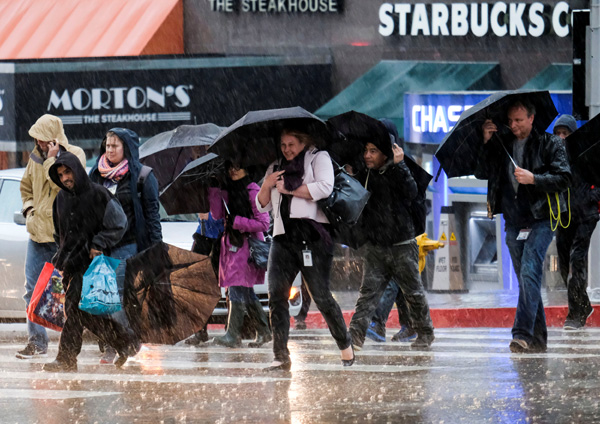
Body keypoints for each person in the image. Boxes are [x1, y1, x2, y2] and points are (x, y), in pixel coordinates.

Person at [475, 99, 571, 353]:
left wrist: (534, 179)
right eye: (510, 121)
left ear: (531, 117)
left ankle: (521, 333)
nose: (514, 125)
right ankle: (538, 339)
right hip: (513, 220)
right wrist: (486, 141)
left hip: (542, 217)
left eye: (519, 120)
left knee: (529, 271)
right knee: (526, 279)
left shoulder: (549, 143)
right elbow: (481, 172)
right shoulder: (501, 144)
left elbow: (564, 178)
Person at [257, 128, 354, 370]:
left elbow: (324, 188)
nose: (286, 149)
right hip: (282, 239)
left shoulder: (318, 158)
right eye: (283, 144)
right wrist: (267, 185)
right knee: (276, 296)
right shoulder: (275, 167)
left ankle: (345, 346)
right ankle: (280, 356)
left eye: (291, 144)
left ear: (303, 142)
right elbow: (261, 207)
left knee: (321, 296)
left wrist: (288, 189)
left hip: (313, 238)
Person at [42, 152, 133, 372]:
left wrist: (98, 243)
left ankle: (66, 358)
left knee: (74, 308)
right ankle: (126, 343)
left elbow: (119, 224)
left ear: (77, 169)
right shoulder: (60, 199)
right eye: (61, 175)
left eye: (68, 172)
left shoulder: (99, 195)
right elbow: (58, 233)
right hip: (69, 265)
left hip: (91, 264)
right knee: (86, 315)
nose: (65, 178)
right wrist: (61, 254)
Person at [348, 131, 435, 350]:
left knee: (413, 292)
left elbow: (412, 193)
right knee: (367, 294)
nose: (367, 155)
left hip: (402, 246)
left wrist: (400, 166)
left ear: (385, 153)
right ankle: (355, 336)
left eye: (373, 151)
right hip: (376, 247)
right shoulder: (366, 175)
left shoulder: (400, 169)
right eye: (366, 150)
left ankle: (425, 333)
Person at [89, 128, 162, 364]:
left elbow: (152, 216)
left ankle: (124, 341)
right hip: (100, 247)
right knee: (100, 299)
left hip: (128, 245)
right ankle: (118, 341)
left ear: (127, 149)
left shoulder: (142, 176)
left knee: (116, 296)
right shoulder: (96, 175)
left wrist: (156, 249)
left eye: (115, 146)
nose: (109, 150)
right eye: (107, 146)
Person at [17, 114, 86, 360]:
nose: (38, 141)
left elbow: (65, 185)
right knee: (32, 290)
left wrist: (51, 161)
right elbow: (25, 186)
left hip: (63, 237)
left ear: (53, 137)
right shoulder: (35, 157)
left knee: (66, 293)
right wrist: (29, 210)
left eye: (42, 138)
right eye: (36, 137)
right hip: (37, 235)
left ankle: (68, 345)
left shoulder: (74, 155)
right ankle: (36, 342)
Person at [208, 161, 272, 348]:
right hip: (231, 245)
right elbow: (218, 215)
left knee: (237, 286)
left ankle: (233, 334)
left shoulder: (253, 191)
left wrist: (238, 221)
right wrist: (214, 189)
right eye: (230, 167)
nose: (234, 170)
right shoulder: (226, 190)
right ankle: (264, 331)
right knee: (244, 289)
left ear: (247, 168)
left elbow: (263, 223)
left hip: (246, 246)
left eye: (238, 166)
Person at [553, 115, 599, 329]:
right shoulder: (553, 159)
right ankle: (584, 305)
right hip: (564, 218)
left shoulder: (585, 154)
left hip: (585, 216)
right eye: (558, 133)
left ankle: (575, 315)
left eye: (566, 133)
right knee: (563, 266)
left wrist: (593, 197)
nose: (562, 137)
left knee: (576, 260)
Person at [186, 212, 224, 345]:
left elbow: (226, 214)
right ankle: (200, 330)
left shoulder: (220, 192)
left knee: (223, 285)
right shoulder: (200, 194)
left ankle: (235, 329)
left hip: (220, 240)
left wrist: (211, 217)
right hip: (203, 238)